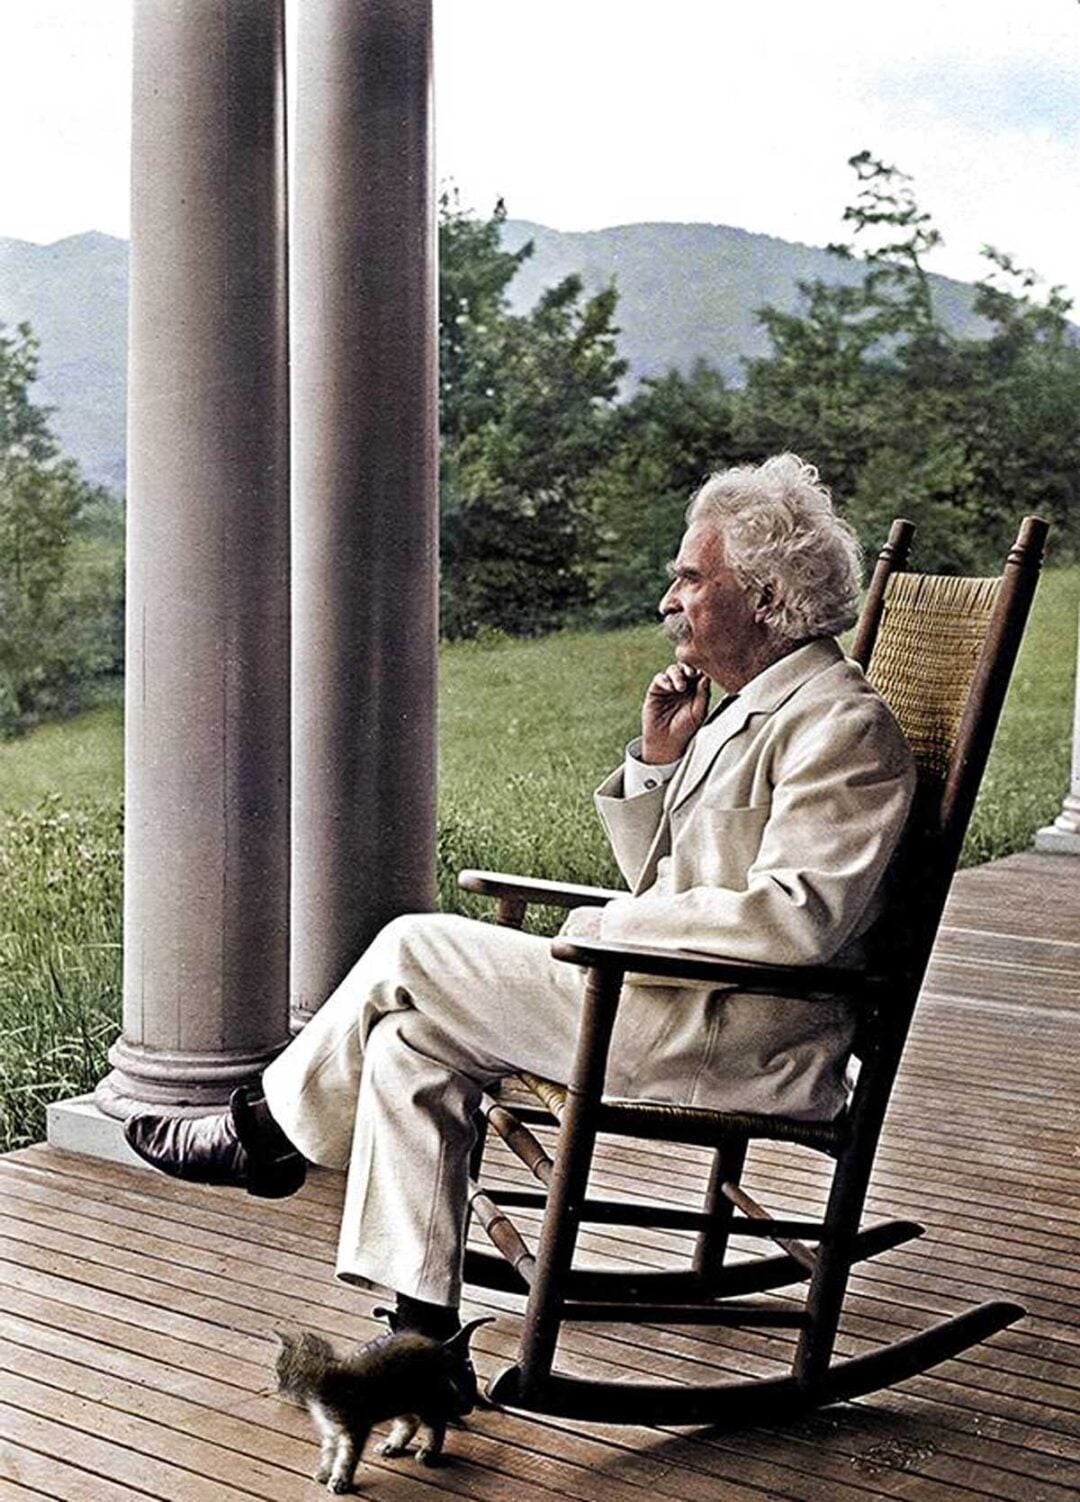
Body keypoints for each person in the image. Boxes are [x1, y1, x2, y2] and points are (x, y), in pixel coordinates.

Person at [125, 452, 916, 1340]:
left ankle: (264, 1134)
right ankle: (419, 1336)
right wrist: (659, 763)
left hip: (736, 1040)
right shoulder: (742, 710)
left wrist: (610, 926)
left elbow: (795, 921)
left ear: (766, 597)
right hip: (669, 1005)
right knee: (408, 1043)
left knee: (414, 948)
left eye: (691, 580)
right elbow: (677, 881)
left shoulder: (844, 725)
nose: (669, 602)